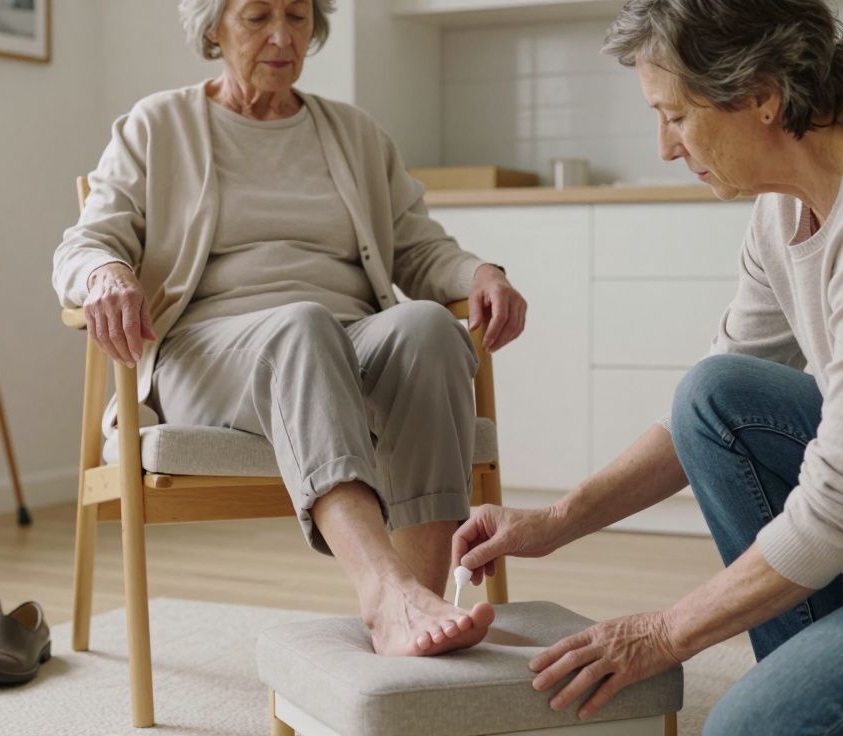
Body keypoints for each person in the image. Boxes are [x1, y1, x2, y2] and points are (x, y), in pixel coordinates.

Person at [453, 0, 843, 731]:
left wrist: (663, 633)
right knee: (715, 398)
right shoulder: (788, 202)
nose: (664, 148)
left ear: (763, 96)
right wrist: (554, 520)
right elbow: (716, 399)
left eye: (675, 116)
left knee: (746, 728)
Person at [53, 0, 528, 657]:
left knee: (425, 327)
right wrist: (107, 274)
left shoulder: (355, 134)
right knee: (301, 326)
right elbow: (87, 242)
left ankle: (418, 607)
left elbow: (419, 250)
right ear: (213, 27)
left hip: (344, 346)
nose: (282, 36)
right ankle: (383, 594)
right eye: (257, 17)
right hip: (210, 358)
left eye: (298, 16)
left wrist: (481, 273)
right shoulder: (157, 124)